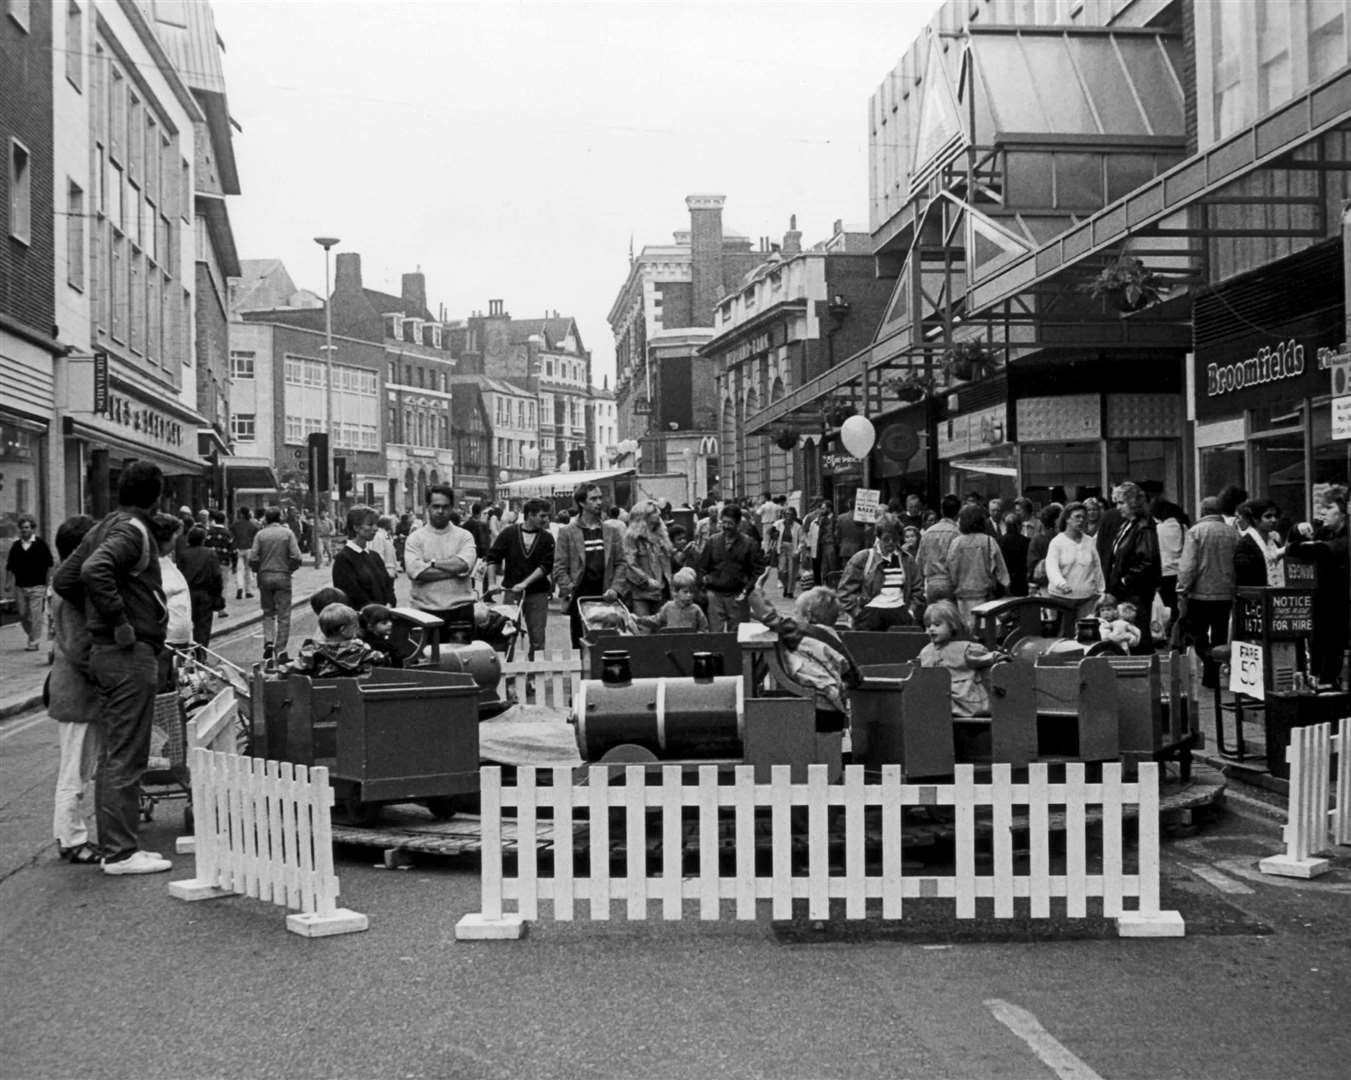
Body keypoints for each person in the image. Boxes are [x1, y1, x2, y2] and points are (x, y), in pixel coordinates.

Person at [51, 460, 171, 875]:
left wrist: (97, 617)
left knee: (115, 752)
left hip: (110, 654)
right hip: (128, 652)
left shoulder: (105, 525)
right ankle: (122, 851)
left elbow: (66, 580)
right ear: (157, 495)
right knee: (127, 753)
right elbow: (92, 570)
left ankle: (118, 844)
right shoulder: (131, 531)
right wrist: (118, 621)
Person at [47, 515, 101, 864]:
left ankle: (70, 834)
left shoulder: (63, 585)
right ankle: (70, 838)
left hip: (72, 688)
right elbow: (80, 646)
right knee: (75, 770)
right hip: (77, 691)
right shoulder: (70, 590)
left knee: (78, 767)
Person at [749, 584, 859, 733]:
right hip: (833, 708)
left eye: (796, 613)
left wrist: (752, 591)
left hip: (816, 707)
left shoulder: (802, 633)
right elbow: (855, 676)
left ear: (808, 616)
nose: (793, 618)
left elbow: (773, 619)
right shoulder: (833, 638)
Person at [1289, 486, 1349, 688]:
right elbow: (1300, 548)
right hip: (1322, 601)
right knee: (1319, 646)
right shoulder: (1325, 531)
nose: (1322, 512)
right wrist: (1298, 531)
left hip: (1340, 602)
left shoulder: (1342, 538)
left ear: (1344, 511)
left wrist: (1288, 549)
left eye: (1328, 507)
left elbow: (1325, 550)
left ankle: (1329, 685)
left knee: (1333, 648)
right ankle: (1321, 683)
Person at [554, 482, 627, 648]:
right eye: (593, 499)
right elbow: (559, 566)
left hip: (607, 596)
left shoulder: (611, 531)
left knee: (610, 644)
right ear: (581, 503)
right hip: (580, 598)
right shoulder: (568, 532)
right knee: (582, 646)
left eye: (600, 498)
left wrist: (615, 588)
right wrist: (570, 588)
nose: (599, 502)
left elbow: (621, 563)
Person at [485, 497, 555, 660]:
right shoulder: (509, 533)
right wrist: (492, 583)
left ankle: (533, 677)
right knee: (507, 634)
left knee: (537, 638)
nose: (546, 520)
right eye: (542, 516)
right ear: (530, 515)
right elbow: (492, 557)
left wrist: (525, 583)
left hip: (537, 593)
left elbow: (546, 566)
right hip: (511, 591)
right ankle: (507, 675)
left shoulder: (547, 538)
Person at [1177, 495, 1237, 682]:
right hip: (1226, 593)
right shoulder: (1232, 533)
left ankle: (1208, 660)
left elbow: (1188, 565)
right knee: (1219, 633)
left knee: (1198, 634)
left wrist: (1182, 588)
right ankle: (1213, 672)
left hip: (1200, 593)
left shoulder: (1195, 532)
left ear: (1202, 511)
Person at [404, 484, 478, 628]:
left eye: (445, 507)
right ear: (428, 507)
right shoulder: (415, 538)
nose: (440, 511)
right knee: (427, 652)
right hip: (424, 613)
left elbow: (463, 565)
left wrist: (431, 563)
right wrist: (454, 571)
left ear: (452, 508)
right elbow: (416, 572)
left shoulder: (464, 536)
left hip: (460, 611)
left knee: (461, 651)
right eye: (436, 506)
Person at [917, 600, 1004, 717]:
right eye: (928, 626)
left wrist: (997, 657)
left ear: (952, 626)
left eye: (937, 625)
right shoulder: (926, 651)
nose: (931, 629)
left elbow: (984, 658)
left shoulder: (964, 649)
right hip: (938, 698)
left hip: (963, 699)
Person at [837, 514, 924, 631]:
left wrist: (911, 612)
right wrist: (857, 613)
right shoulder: (863, 558)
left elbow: (917, 588)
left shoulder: (907, 560)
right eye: (886, 539)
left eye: (895, 538)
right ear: (878, 537)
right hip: (870, 614)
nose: (891, 542)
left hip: (899, 612)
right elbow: (844, 591)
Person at [1105, 481, 1160, 649]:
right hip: (1127, 591)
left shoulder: (1143, 527)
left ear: (1133, 503)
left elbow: (1147, 560)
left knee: (1136, 636)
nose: (1118, 507)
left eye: (1121, 503)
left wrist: (1124, 581)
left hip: (1135, 593)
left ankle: (1143, 670)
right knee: (1129, 636)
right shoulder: (1129, 525)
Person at [695, 504, 764, 632]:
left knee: (737, 635)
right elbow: (702, 567)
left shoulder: (749, 544)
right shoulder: (712, 541)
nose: (726, 526)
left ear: (738, 524)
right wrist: (703, 588)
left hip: (737, 595)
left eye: (730, 523)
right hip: (714, 595)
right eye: (723, 522)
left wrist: (746, 590)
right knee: (715, 635)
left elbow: (757, 571)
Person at [249, 505, 303, 666]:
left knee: (267, 612)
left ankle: (268, 641)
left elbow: (253, 558)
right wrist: (289, 569)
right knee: (284, 615)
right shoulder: (287, 533)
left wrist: (258, 570)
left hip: (264, 576)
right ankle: (280, 650)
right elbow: (297, 556)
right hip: (282, 575)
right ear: (280, 518)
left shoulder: (260, 534)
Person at [944, 504, 1010, 629]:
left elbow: (950, 569)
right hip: (985, 598)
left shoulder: (956, 543)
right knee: (986, 632)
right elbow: (1002, 572)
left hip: (961, 599)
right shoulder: (989, 541)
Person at [284, 603, 387, 678]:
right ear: (343, 630)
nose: (357, 629)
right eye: (355, 626)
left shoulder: (311, 652)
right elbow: (382, 666)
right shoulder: (363, 651)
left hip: (322, 700)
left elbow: (290, 670)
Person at [1044, 501, 1105, 620]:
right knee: (1063, 635)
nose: (1081, 520)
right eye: (1077, 516)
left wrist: (1101, 590)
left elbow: (1097, 567)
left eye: (1084, 517)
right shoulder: (1057, 542)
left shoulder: (1090, 541)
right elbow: (1051, 567)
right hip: (1061, 598)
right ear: (1067, 519)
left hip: (1087, 599)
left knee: (1084, 634)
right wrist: (1061, 584)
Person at [331, 505, 396, 612]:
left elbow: (388, 586)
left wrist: (390, 603)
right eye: (370, 525)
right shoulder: (343, 559)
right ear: (356, 527)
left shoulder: (374, 556)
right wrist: (377, 612)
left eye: (376, 524)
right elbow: (352, 595)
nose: (375, 529)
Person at [6, 513, 55, 651]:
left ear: (33, 529)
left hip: (37, 586)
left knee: (35, 615)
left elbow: (50, 565)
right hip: (20, 586)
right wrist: (8, 583)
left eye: (27, 528)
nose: (24, 530)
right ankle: (33, 635)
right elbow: (10, 566)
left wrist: (48, 584)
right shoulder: (16, 546)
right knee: (22, 615)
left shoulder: (40, 544)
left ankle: (33, 642)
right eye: (22, 528)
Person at [619, 499, 674, 617]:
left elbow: (666, 562)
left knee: (662, 629)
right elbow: (629, 564)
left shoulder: (661, 535)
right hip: (641, 593)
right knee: (644, 629)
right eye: (654, 511)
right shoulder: (632, 538)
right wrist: (646, 580)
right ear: (643, 517)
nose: (659, 513)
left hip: (663, 591)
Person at [177, 526, 223, 653]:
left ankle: (188, 655)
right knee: (203, 627)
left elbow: (179, 574)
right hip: (205, 594)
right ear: (203, 539)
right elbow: (217, 576)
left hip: (187, 594)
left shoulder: (183, 554)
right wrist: (218, 594)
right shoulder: (210, 553)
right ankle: (201, 655)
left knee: (188, 626)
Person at [152, 514, 193, 652]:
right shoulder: (151, 566)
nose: (176, 540)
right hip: (166, 643)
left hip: (178, 643)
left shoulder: (165, 561)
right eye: (175, 536)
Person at [1151, 498, 1189, 628]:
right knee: (1178, 606)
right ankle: (1177, 630)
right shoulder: (1182, 527)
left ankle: (1167, 629)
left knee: (1166, 605)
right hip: (1179, 571)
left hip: (1164, 571)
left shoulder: (1158, 529)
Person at [916, 494, 961, 603]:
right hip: (950, 583)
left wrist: (919, 588)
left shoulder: (927, 533)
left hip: (931, 583)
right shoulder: (958, 534)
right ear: (958, 513)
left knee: (934, 617)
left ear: (941, 511)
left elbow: (919, 562)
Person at [636, 567, 709, 633]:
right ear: (676, 592)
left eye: (691, 592)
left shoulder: (696, 609)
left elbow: (704, 628)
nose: (689, 595)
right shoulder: (668, 607)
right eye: (685, 592)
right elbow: (656, 620)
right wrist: (639, 619)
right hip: (671, 643)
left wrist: (700, 634)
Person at [1234, 499, 1285, 588]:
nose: (1273, 520)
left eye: (1275, 516)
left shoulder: (1275, 542)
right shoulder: (1245, 545)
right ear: (1255, 519)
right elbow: (1245, 577)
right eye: (1268, 516)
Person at [204, 510, 236, 611]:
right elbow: (233, 550)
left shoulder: (208, 532)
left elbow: (204, 546)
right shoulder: (228, 534)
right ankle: (221, 608)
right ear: (224, 520)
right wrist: (234, 564)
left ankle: (209, 606)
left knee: (210, 584)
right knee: (223, 586)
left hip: (209, 563)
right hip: (223, 562)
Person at [358, 603, 403, 668]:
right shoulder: (378, 645)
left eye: (390, 621)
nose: (390, 624)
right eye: (384, 623)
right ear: (370, 626)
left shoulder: (365, 640)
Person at [997, 511, 1030, 597]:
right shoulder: (1026, 541)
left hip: (1004, 583)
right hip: (1021, 582)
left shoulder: (999, 541)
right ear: (1018, 526)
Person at [229, 507, 259, 600]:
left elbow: (232, 536)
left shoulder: (235, 525)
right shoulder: (253, 525)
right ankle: (248, 591)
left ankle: (240, 588)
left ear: (241, 514)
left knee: (239, 570)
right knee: (248, 570)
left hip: (238, 549)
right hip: (249, 548)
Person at [776, 508, 802, 599]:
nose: (788, 516)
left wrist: (797, 551)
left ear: (794, 516)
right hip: (782, 548)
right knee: (782, 570)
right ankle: (786, 586)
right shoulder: (778, 524)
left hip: (792, 548)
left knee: (792, 571)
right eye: (786, 514)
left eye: (790, 514)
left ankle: (790, 591)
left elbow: (802, 541)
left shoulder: (798, 527)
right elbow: (771, 535)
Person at [370, 515, 400, 583]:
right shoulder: (379, 536)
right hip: (384, 573)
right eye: (392, 523)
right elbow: (378, 554)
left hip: (390, 572)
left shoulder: (386, 535)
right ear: (386, 524)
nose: (394, 525)